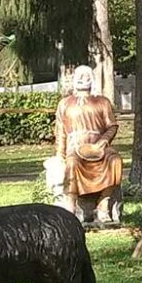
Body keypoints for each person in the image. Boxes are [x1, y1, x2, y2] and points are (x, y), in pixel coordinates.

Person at [55, 65, 123, 224]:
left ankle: (103, 203)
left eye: (87, 76)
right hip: (75, 148)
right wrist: (60, 154)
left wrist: (103, 141)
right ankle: (70, 207)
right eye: (80, 76)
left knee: (115, 161)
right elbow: (60, 131)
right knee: (72, 164)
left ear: (92, 79)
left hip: (99, 147)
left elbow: (112, 126)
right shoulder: (65, 103)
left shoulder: (102, 102)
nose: (83, 79)